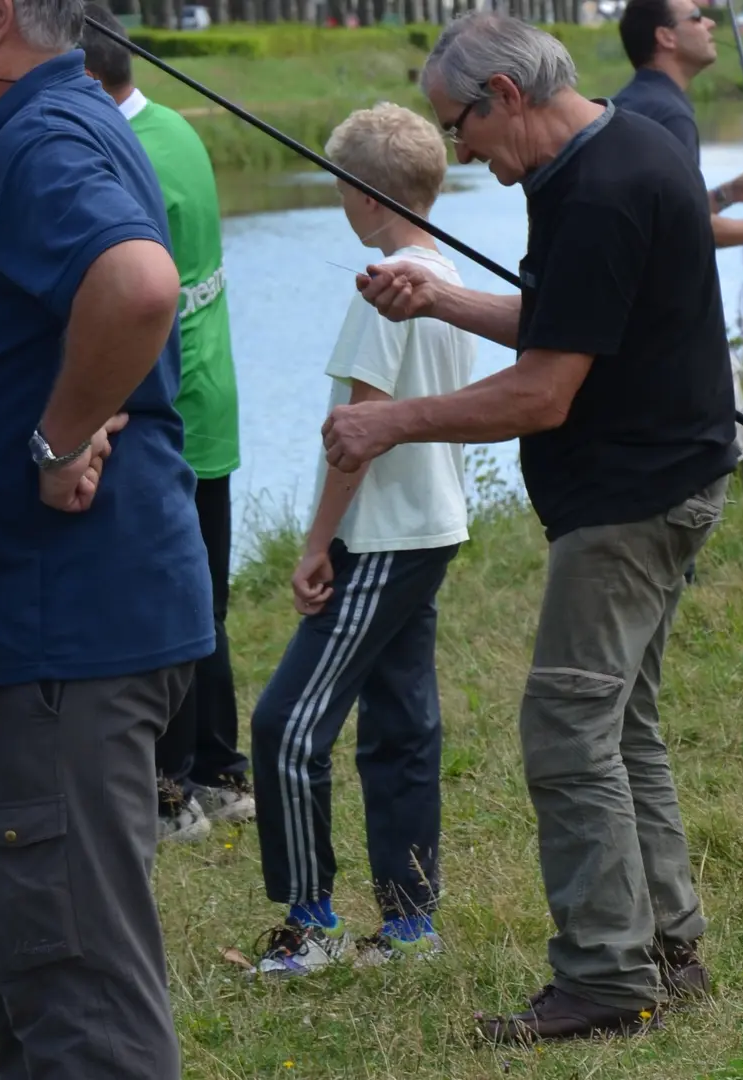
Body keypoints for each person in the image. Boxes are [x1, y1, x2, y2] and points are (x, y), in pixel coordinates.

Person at [326, 12, 733, 1041]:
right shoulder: (616, 148)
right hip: (668, 477)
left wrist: (389, 421)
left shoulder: (598, 190)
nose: (457, 150)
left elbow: (546, 392)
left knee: (567, 728)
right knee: (621, 723)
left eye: (457, 125)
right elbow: (575, 321)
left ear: (504, 95)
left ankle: (604, 977)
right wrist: (441, 301)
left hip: (631, 500)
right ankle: (669, 949)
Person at [0, 0, 214, 1074]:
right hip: (40, 636)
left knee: (77, 1003)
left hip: (60, 629)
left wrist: (61, 440)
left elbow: (138, 285)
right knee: (36, 974)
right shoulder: (35, 134)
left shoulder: (43, 139)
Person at [247, 101, 476, 977]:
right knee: (400, 725)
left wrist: (317, 543)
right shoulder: (443, 276)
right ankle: (411, 929)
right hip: (429, 528)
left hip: (382, 537)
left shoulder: (384, 290)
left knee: (286, 725)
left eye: (341, 185)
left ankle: (313, 925)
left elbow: (358, 433)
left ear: (366, 195)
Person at [80, 2, 254, 844]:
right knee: (204, 596)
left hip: (159, 411)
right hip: (207, 399)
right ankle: (221, 773)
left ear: (81, 79)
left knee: (162, 604)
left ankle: (170, 790)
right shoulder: (173, 129)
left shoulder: (116, 154)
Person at [612, 0, 743, 467]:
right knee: (714, 458)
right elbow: (687, 231)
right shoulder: (669, 113)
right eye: (696, 17)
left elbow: (653, 216)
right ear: (666, 37)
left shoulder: (630, 103)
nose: (710, 22)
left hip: (630, 331)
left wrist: (726, 194)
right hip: (670, 339)